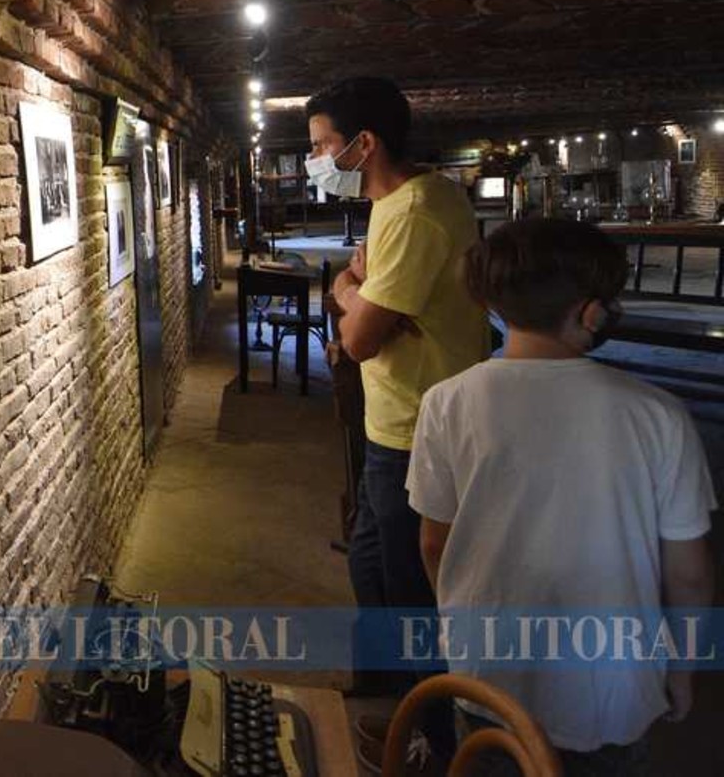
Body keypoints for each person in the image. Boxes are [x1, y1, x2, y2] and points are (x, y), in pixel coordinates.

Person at [408, 219, 715, 775]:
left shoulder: (446, 403)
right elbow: (689, 575)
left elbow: (434, 543)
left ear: (494, 304)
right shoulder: (658, 415)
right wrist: (683, 669)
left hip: (489, 679)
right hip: (617, 692)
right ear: (591, 312)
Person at [304, 77, 489, 767]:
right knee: (373, 564)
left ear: (364, 144)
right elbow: (370, 313)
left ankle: (436, 741)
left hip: (418, 428)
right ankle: (398, 703)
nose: (317, 160)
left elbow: (358, 337)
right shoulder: (403, 200)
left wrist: (344, 290)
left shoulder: (413, 214)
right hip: (393, 417)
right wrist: (360, 296)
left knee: (413, 595)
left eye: (323, 146)